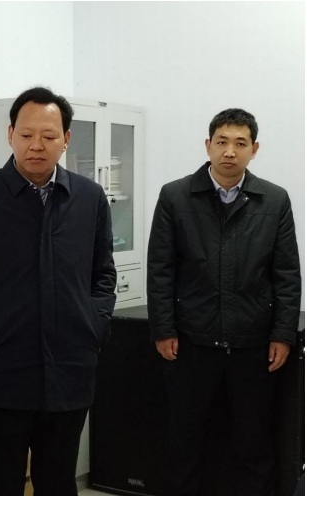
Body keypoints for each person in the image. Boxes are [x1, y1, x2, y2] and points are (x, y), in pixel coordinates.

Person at [0, 87, 117, 495]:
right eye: (27, 134)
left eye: (49, 136)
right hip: (0, 375)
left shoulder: (89, 198)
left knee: (58, 484)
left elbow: (103, 274)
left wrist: (93, 327)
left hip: (69, 374)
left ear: (66, 139)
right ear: (10, 135)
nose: (37, 145)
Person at [147, 108, 301, 495]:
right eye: (221, 142)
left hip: (253, 345)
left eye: (240, 143)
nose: (229, 151)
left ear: (254, 149)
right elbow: (161, 268)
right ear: (208, 145)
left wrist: (283, 334)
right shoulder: (175, 196)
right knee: (185, 440)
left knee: (253, 441)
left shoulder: (275, 199)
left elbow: (286, 274)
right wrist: (163, 328)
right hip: (190, 342)